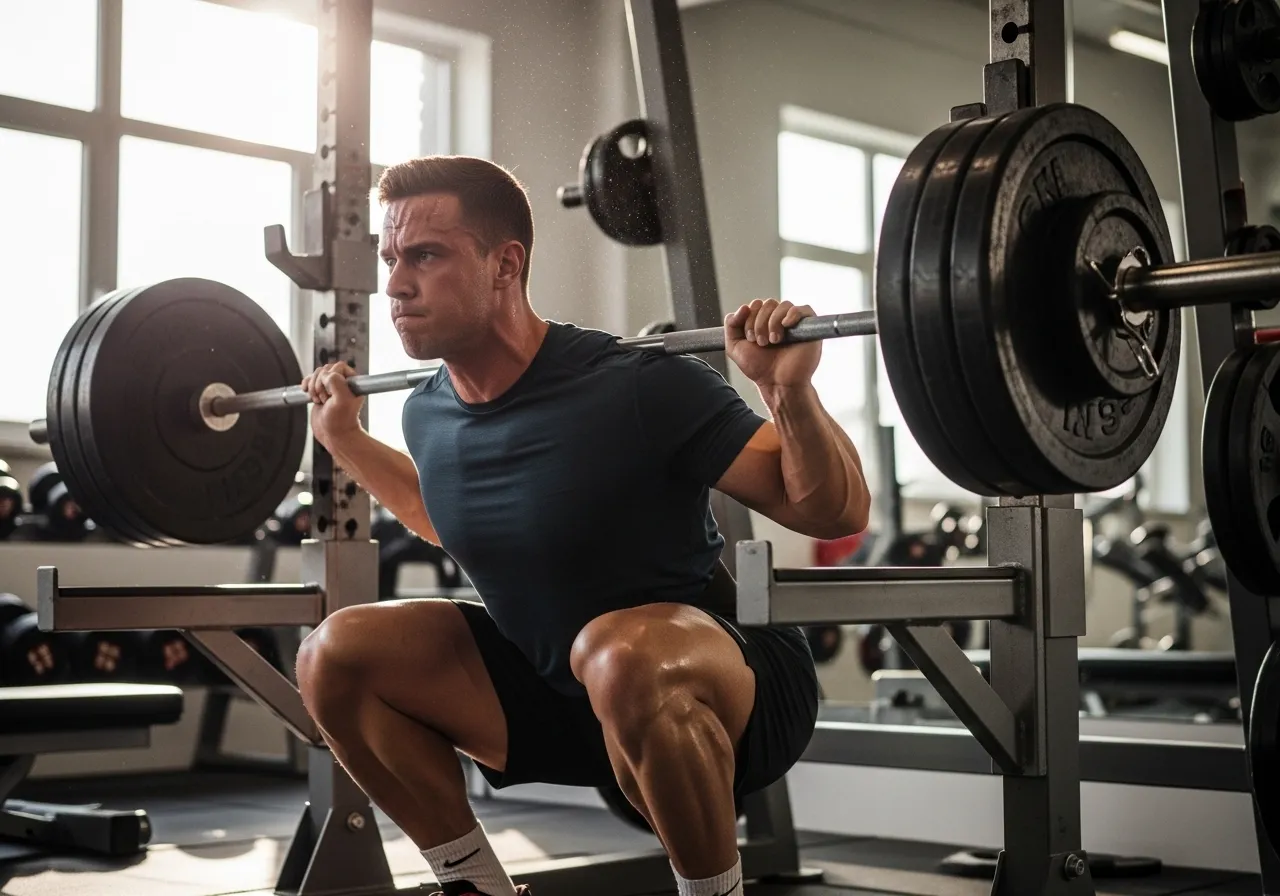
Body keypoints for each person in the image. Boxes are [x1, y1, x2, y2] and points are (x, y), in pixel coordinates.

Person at [294, 156, 871, 896]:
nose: (396, 284)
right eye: (390, 259)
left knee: (617, 649)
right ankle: (475, 886)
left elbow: (831, 510)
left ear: (506, 264)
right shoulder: (426, 412)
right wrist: (345, 440)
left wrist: (783, 389)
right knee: (334, 653)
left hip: (730, 692)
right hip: (564, 692)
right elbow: (445, 517)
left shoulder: (635, 385)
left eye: (425, 256)